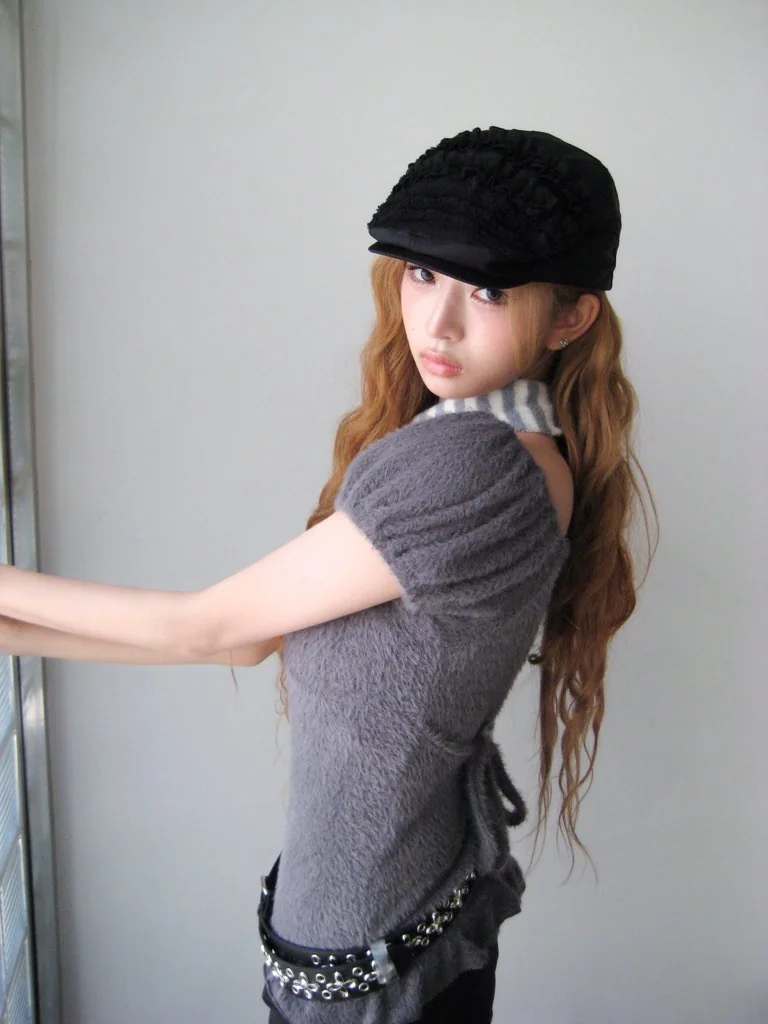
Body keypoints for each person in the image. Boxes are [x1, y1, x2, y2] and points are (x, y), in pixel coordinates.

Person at [0, 126, 657, 1024]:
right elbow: (243, 643)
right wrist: (17, 632)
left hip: (372, 957)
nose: (438, 322)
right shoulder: (496, 447)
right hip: (393, 919)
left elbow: (208, 623)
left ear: (571, 317)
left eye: (489, 291)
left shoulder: (477, 470)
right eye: (422, 273)